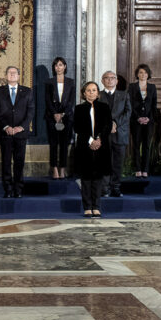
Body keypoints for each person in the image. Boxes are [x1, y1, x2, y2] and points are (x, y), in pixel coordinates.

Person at [0, 66, 35, 198]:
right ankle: (8, 189)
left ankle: (18, 189)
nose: (12, 75)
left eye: (14, 73)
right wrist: (6, 127)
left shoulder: (27, 92)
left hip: (21, 133)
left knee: (19, 161)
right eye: (9, 72)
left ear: (18, 75)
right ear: (6, 75)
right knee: (6, 162)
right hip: (5, 133)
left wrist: (20, 127)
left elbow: (30, 112)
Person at [74, 81, 112, 217]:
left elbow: (107, 126)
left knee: (97, 177)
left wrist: (99, 140)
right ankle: (87, 207)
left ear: (98, 93)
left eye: (94, 90)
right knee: (86, 178)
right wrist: (90, 140)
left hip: (101, 146)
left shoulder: (105, 107)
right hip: (85, 146)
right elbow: (77, 127)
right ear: (84, 93)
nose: (91, 93)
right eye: (88, 90)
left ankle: (96, 206)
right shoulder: (79, 108)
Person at [98, 71, 130, 196]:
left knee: (118, 163)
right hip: (104, 134)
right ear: (102, 81)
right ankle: (105, 189)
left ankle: (116, 188)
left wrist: (115, 123)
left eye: (112, 78)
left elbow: (128, 112)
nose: (110, 80)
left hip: (120, 133)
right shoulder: (98, 95)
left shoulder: (124, 95)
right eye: (107, 78)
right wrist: (108, 125)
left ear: (117, 81)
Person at [44, 56, 75, 179]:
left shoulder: (71, 82)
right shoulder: (49, 82)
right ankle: (54, 169)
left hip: (67, 117)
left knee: (64, 144)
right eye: (56, 65)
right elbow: (47, 100)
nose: (59, 67)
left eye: (61, 65)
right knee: (53, 144)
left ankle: (63, 169)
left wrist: (62, 114)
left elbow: (71, 101)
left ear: (65, 66)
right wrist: (55, 114)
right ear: (54, 67)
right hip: (51, 117)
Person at [128, 64, 157, 178]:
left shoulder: (152, 87)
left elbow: (154, 104)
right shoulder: (132, 86)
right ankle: (138, 169)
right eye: (140, 72)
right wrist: (138, 117)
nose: (143, 75)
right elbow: (129, 104)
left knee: (146, 146)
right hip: (136, 120)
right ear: (137, 74)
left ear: (148, 74)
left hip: (149, 121)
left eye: (145, 73)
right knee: (136, 144)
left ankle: (145, 169)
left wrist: (149, 118)